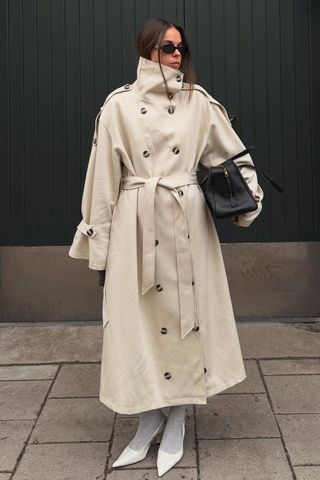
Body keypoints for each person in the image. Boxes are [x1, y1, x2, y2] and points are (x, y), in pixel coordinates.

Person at [68, 18, 263, 477]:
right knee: (138, 324)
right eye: (166, 46)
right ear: (146, 50)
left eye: (181, 47)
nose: (177, 54)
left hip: (186, 222)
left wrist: (247, 199)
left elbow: (230, 154)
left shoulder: (199, 102)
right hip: (136, 224)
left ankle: (176, 419)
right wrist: (101, 243)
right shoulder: (118, 106)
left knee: (185, 320)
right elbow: (101, 180)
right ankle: (148, 417)